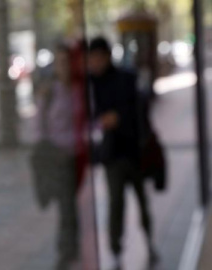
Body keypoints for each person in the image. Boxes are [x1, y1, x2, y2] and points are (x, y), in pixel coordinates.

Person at [88, 36, 157, 268]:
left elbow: (141, 109)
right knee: (115, 205)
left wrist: (119, 117)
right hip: (112, 156)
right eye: (92, 59)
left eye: (98, 58)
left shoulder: (126, 79)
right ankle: (116, 252)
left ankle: (150, 244)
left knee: (142, 202)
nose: (95, 63)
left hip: (133, 151)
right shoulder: (91, 85)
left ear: (107, 56)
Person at [34, 41, 87, 269]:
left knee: (72, 205)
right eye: (60, 62)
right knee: (67, 207)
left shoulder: (79, 89)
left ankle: (73, 247)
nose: (63, 67)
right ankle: (66, 251)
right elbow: (38, 127)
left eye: (67, 62)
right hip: (58, 158)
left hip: (79, 157)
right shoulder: (49, 92)